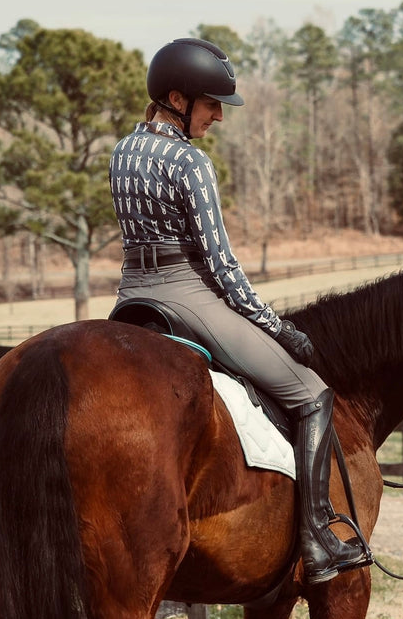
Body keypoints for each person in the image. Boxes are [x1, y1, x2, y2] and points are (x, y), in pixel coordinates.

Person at [108, 38, 370, 585]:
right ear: (177, 100)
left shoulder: (122, 151)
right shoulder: (191, 163)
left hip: (131, 293)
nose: (218, 116)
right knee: (310, 392)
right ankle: (319, 538)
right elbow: (223, 268)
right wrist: (277, 327)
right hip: (185, 293)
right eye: (211, 104)